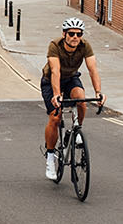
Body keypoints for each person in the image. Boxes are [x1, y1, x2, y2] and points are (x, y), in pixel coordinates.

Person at [43, 17, 104, 180]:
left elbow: (93, 69)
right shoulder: (55, 46)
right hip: (51, 81)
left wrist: (98, 93)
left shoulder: (85, 46)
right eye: (71, 34)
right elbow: (55, 71)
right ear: (64, 34)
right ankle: (50, 157)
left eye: (79, 34)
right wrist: (57, 95)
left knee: (81, 100)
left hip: (71, 78)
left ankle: (77, 129)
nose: (75, 37)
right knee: (55, 117)